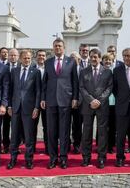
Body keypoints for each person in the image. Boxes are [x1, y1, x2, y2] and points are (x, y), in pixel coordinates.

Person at [41, 38, 79, 169]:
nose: (57, 48)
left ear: (64, 47)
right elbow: (44, 82)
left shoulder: (71, 62)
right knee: (51, 131)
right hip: (50, 101)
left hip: (66, 101)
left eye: (60, 46)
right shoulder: (48, 62)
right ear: (53, 48)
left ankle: (63, 157)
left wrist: (75, 98)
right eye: (55, 46)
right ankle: (52, 158)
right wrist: (42, 98)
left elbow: (75, 81)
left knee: (64, 131)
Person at [7, 50, 41, 170]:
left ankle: (29, 160)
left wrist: (37, 107)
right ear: (20, 59)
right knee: (15, 135)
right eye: (25, 58)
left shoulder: (36, 72)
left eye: (29, 58)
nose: (27, 60)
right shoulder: (14, 71)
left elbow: (38, 91)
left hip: (29, 108)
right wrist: (9, 106)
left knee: (29, 136)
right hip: (15, 108)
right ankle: (13, 159)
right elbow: (10, 90)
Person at [79, 49, 113, 169]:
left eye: (96, 57)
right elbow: (82, 87)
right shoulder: (83, 72)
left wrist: (99, 100)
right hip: (88, 106)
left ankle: (101, 158)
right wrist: (91, 100)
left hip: (102, 106)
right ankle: (86, 157)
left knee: (102, 133)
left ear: (100, 58)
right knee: (86, 132)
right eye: (92, 57)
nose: (94, 59)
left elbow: (109, 88)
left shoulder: (107, 72)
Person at [2, 48, 20, 154]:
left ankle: (16, 146)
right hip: (5, 101)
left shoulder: (21, 67)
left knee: (16, 126)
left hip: (17, 102)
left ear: (18, 56)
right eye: (11, 55)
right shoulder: (3, 68)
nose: (13, 57)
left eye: (15, 55)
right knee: (5, 125)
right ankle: (5, 145)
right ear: (8, 56)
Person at [33, 49, 48, 154]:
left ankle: (48, 148)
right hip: (33, 102)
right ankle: (31, 148)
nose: (41, 57)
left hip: (47, 102)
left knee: (47, 126)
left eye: (43, 55)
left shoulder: (49, 68)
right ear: (36, 57)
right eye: (39, 55)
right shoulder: (32, 68)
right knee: (32, 126)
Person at [102, 53, 117, 154]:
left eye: (110, 60)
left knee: (112, 126)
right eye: (106, 60)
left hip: (114, 102)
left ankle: (111, 145)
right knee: (103, 125)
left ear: (112, 62)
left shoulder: (115, 72)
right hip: (103, 101)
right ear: (102, 61)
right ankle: (102, 144)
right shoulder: (100, 72)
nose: (108, 62)